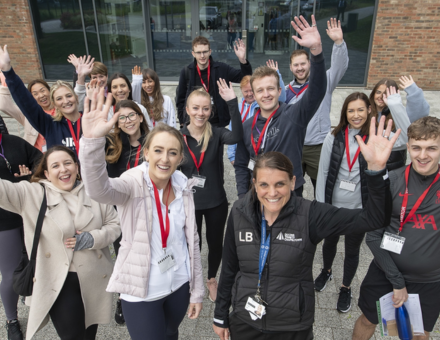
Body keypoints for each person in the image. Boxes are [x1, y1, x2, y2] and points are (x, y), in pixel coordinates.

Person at [213, 114, 400, 340]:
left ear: (293, 182)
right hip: (245, 319)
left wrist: (376, 170)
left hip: (292, 325)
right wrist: (220, 314)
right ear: (254, 184)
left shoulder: (311, 214)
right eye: (264, 185)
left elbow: (373, 219)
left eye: (280, 184)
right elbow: (229, 269)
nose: (272, 193)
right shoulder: (239, 211)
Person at [79, 87, 204, 340]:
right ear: (146, 153)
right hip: (142, 290)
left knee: (171, 334)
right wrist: (92, 143)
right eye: (158, 150)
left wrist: (196, 290)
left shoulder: (183, 185)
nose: (164, 159)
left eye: (172, 152)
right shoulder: (132, 182)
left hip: (179, 283)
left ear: (180, 158)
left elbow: (192, 242)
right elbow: (99, 190)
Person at [0, 145, 120, 340]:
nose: (63, 169)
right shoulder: (32, 194)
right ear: (46, 173)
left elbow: (114, 224)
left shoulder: (93, 192)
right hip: (58, 282)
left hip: (93, 279)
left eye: (67, 163)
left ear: (76, 167)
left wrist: (92, 238)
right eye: (55, 166)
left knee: (89, 335)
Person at [314, 89, 410, 313]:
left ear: (369, 110)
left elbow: (405, 138)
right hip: (333, 208)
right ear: (344, 113)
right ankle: (326, 271)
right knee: (329, 243)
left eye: (360, 109)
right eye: (350, 110)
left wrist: (394, 103)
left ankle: (346, 286)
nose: (355, 115)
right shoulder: (333, 137)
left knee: (352, 250)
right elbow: (323, 171)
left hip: (359, 209)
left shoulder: (377, 137)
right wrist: (320, 205)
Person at [352, 116, 440, 340]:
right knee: (368, 320)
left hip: (429, 280)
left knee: (418, 333)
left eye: (431, 148)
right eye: (417, 147)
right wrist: (397, 281)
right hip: (385, 271)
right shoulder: (392, 180)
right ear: (408, 146)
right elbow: (372, 236)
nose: (422, 155)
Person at [234, 15, 327, 199]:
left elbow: (316, 91)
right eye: (260, 90)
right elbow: (241, 164)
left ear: (279, 90)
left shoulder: (294, 115)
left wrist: (316, 51)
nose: (266, 94)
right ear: (253, 93)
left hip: (290, 194)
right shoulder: (247, 126)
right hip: (260, 193)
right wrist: (243, 197)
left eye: (270, 88)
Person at [178, 80, 243, 302]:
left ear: (211, 110)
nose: (201, 112)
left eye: (205, 108)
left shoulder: (216, 133)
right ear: (187, 110)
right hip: (188, 204)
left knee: (215, 243)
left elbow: (236, 137)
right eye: (195, 108)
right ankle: (192, 280)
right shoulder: (178, 137)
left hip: (215, 202)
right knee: (192, 243)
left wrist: (233, 103)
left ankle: (212, 279)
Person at [285, 18, 348, 196]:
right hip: (294, 146)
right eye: (296, 65)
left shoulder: (323, 82)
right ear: (291, 67)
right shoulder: (285, 92)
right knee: (293, 190)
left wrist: (338, 43)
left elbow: (339, 67)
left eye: (303, 63)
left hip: (317, 146)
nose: (300, 68)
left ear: (310, 64)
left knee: (322, 188)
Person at [103, 97, 150, 325]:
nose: (128, 120)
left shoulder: (152, 142)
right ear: (117, 122)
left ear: (140, 117)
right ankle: (123, 297)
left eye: (132, 115)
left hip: (147, 210)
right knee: (123, 253)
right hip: (120, 212)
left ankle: (147, 290)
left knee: (145, 253)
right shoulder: (112, 145)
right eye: (122, 117)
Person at [0, 126, 42, 340]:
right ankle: (11, 319)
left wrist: (31, 175)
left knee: (40, 263)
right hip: (3, 220)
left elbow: (39, 160)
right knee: (9, 274)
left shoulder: (13, 142)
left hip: (30, 212)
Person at [176, 36, 252, 128]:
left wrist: (242, 60)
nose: (202, 56)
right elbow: (181, 99)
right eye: (199, 53)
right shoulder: (187, 72)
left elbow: (244, 77)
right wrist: (182, 122)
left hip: (216, 124)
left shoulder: (221, 69)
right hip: (195, 122)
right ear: (193, 54)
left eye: (205, 52)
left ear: (210, 52)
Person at [227, 60, 286, 165]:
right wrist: (232, 156)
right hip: (243, 150)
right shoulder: (238, 108)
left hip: (261, 150)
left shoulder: (262, 106)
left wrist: (277, 74)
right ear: (241, 91)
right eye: (246, 91)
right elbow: (232, 130)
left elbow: (281, 98)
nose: (249, 94)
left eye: (251, 91)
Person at [369, 76, 430, 170]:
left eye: (386, 93)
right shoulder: (366, 112)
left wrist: (413, 92)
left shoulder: (399, 114)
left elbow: (419, 115)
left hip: (393, 166)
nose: (381, 96)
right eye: (378, 92)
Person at [0, 72, 55, 152]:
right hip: (37, 159)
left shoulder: (61, 111)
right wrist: (5, 83)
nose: (41, 95)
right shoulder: (28, 114)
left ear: (49, 91)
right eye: (35, 94)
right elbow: (4, 106)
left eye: (42, 91)